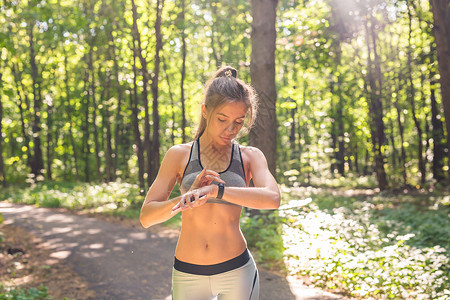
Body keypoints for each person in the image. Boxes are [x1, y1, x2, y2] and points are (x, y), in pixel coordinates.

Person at [140, 66, 280, 300]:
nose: (231, 129)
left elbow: (273, 198)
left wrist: (218, 191)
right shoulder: (179, 154)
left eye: (238, 121)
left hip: (237, 271)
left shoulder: (250, 155)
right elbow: (146, 217)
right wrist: (184, 199)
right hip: (188, 272)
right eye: (222, 119)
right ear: (205, 111)